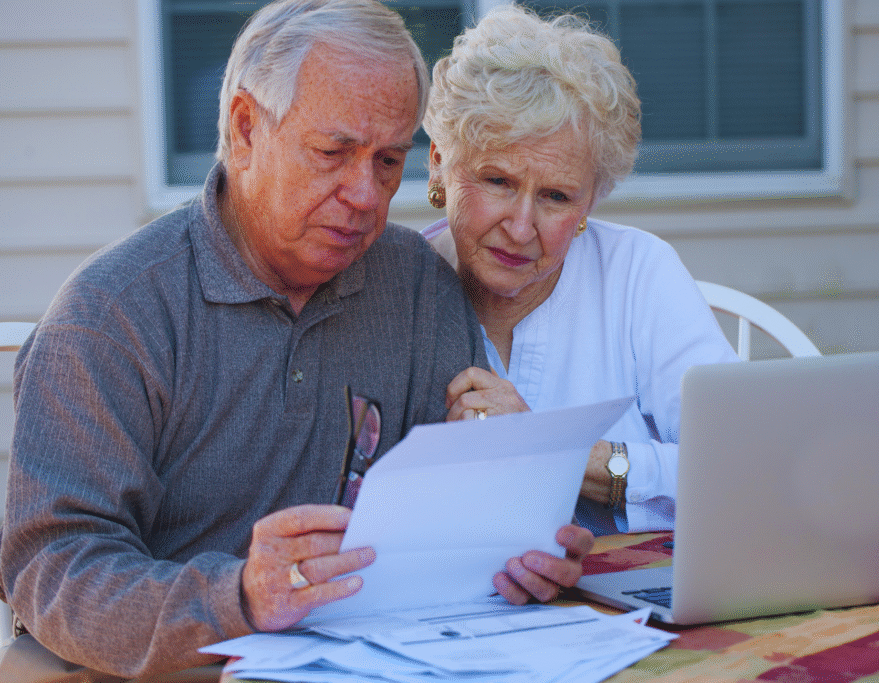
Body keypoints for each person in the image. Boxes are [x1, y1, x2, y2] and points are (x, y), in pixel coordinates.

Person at [0, 1, 593, 679]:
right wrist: (240, 597)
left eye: (389, 160)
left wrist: (516, 547)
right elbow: (54, 568)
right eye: (333, 153)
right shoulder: (112, 314)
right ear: (246, 129)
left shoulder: (418, 288)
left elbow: (446, 531)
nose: (365, 193)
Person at [423, 5, 739, 536]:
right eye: (497, 180)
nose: (521, 227)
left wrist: (552, 451)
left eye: (556, 196)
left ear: (592, 200)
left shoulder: (638, 273)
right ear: (439, 163)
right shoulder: (393, 292)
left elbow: (741, 465)